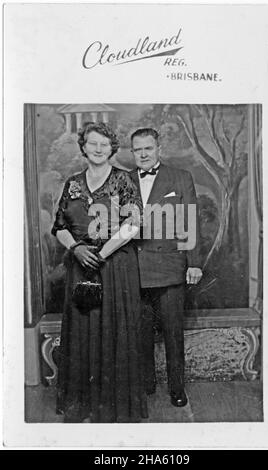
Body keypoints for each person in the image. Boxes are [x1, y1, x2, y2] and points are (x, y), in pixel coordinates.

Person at [51, 121, 147, 423]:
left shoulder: (123, 180)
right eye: (92, 143)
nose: (98, 149)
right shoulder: (73, 183)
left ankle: (114, 407)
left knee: (115, 330)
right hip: (80, 264)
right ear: (83, 147)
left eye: (104, 144)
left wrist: (100, 255)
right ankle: (83, 406)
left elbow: (133, 225)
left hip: (115, 265)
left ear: (112, 148)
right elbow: (59, 226)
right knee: (83, 330)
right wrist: (76, 249)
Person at [130, 127, 203, 407]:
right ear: (132, 152)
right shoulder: (123, 180)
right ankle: (146, 385)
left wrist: (194, 263)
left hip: (171, 268)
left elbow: (191, 222)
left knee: (173, 333)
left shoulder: (180, 177)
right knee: (141, 332)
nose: (144, 154)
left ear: (159, 148)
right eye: (138, 149)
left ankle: (177, 388)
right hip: (135, 270)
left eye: (148, 148)